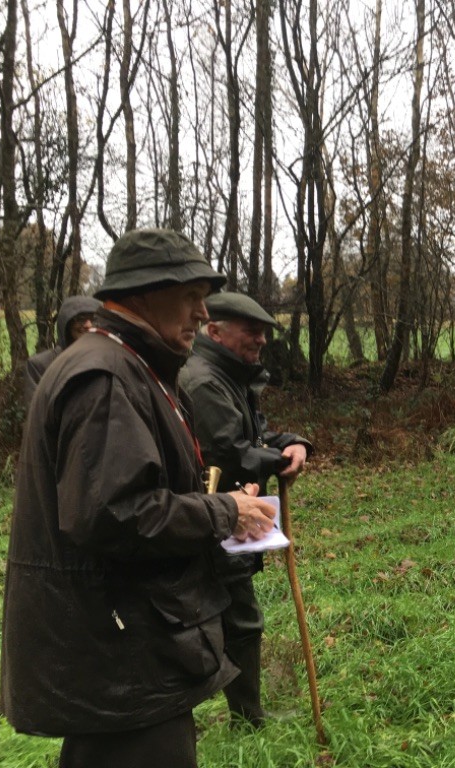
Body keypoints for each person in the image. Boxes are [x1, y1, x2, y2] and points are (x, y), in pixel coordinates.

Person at [0, 228, 278, 768]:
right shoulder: (106, 376)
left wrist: (214, 500)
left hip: (122, 646)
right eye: (191, 297)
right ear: (144, 294)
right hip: (123, 653)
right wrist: (224, 512)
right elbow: (114, 514)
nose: (202, 314)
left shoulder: (124, 364)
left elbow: (126, 489)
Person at [179, 291, 313, 727]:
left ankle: (241, 715)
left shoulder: (228, 376)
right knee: (238, 621)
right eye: (251, 331)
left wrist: (292, 442)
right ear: (214, 330)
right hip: (215, 519)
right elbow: (230, 451)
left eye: (263, 332)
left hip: (231, 517)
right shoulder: (203, 381)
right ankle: (245, 720)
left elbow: (254, 435)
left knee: (233, 620)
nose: (260, 340)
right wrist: (277, 459)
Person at [23, 295, 101, 405]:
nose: (88, 325)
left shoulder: (108, 362)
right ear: (67, 323)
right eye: (80, 319)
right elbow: (36, 414)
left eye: (94, 319)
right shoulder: (40, 365)